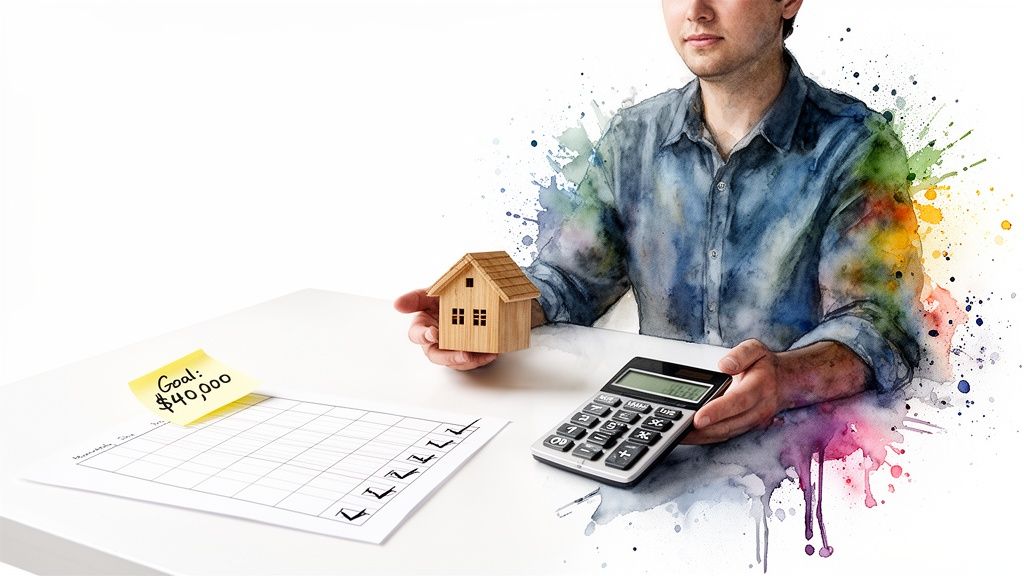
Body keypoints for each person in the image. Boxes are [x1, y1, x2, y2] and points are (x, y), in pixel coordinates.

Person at [395, 0, 923, 444]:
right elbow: (571, 280)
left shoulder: (859, 146)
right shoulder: (633, 138)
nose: (695, 10)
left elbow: (881, 325)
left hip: (798, 459)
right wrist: (488, 320)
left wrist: (784, 379)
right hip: (640, 438)